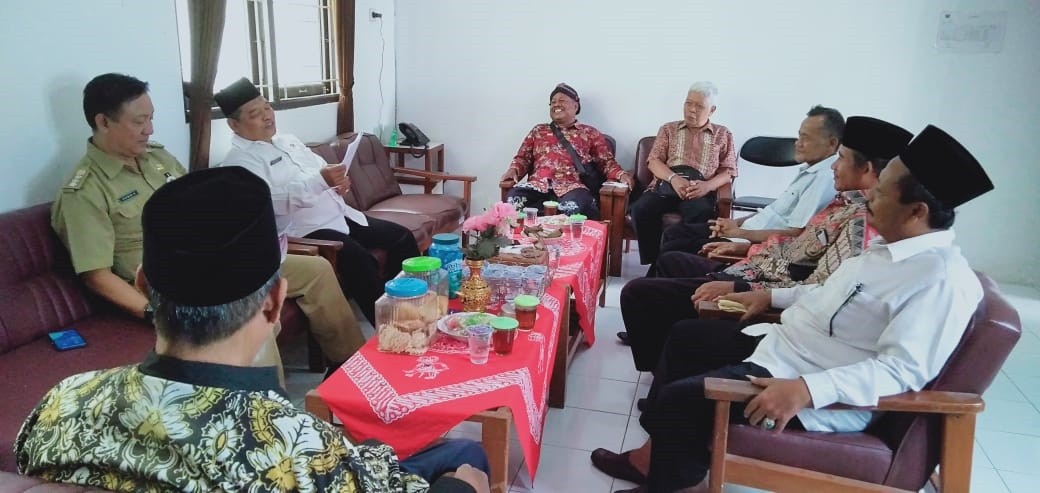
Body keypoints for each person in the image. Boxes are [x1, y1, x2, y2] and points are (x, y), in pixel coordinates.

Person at [17, 166, 490, 493]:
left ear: (144, 284)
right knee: (468, 457)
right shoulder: (297, 447)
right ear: (274, 302)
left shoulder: (61, 403)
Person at [590, 124, 994, 493]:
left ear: (916, 212)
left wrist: (807, 389)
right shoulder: (886, 251)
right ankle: (654, 455)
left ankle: (664, 481)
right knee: (686, 338)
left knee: (684, 399)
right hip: (787, 348)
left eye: (882, 191)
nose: (868, 196)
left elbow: (902, 372)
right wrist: (769, 297)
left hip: (815, 386)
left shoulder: (940, 280)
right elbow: (826, 292)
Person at [50, 73, 362, 381]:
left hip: (214, 264)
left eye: (151, 118)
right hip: (173, 290)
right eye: (139, 121)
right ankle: (270, 410)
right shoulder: (85, 191)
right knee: (251, 322)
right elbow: (96, 276)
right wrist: (152, 312)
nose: (150, 129)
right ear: (103, 122)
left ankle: (353, 372)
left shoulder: (157, 158)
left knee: (317, 270)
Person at [617, 117, 912, 372]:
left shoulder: (861, 222)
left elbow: (818, 284)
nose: (834, 164)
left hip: (760, 287)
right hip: (754, 266)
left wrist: (745, 283)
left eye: (842, 157)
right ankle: (662, 365)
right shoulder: (842, 203)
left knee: (647, 294)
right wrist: (744, 247)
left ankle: (664, 366)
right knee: (668, 262)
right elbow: (800, 245)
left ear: (868, 170)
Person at [216, 77, 420, 326]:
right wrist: (321, 181)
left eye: (267, 107)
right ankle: (393, 328)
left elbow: (322, 168)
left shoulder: (287, 140)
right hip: (304, 231)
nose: (267, 116)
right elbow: (271, 203)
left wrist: (338, 181)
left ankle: (414, 308)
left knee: (402, 237)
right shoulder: (239, 163)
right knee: (359, 260)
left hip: (339, 214)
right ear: (234, 125)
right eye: (255, 114)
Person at [652, 105, 844, 266]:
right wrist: (735, 222)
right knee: (673, 233)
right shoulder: (809, 172)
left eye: (807, 138)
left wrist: (739, 232)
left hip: (748, 242)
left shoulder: (824, 178)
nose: (798, 143)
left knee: (672, 252)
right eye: (799, 136)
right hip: (745, 231)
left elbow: (796, 234)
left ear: (831, 143)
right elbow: (773, 211)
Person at [628, 82, 737, 266]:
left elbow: (729, 171)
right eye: (688, 103)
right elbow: (653, 161)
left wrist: (707, 186)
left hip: (699, 191)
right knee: (641, 209)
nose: (692, 110)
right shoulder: (668, 129)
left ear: (712, 110)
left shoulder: (722, 134)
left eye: (699, 106)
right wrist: (674, 179)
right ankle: (655, 262)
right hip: (666, 185)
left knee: (700, 213)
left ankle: (678, 262)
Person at [499, 83, 633, 219]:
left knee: (574, 207)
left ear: (575, 106)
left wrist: (621, 174)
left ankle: (558, 238)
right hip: (538, 185)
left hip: (572, 187)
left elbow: (606, 162)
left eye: (562, 101)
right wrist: (513, 170)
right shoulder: (538, 131)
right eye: (553, 102)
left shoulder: (590, 133)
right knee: (512, 201)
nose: (556, 105)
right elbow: (522, 158)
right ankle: (525, 240)